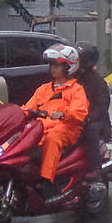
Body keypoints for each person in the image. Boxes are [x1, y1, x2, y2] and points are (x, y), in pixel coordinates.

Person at [21, 44, 89, 200]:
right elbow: (28, 107)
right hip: (40, 127)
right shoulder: (44, 89)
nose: (53, 68)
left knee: (53, 138)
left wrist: (63, 114)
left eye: (57, 65)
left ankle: (47, 180)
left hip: (66, 129)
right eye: (52, 65)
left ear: (68, 67)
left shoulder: (76, 89)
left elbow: (79, 112)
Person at [74, 41, 111, 177]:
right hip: (75, 117)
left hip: (96, 120)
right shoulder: (71, 79)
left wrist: (88, 117)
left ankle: (94, 169)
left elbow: (102, 105)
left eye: (77, 59)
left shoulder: (97, 82)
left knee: (90, 130)